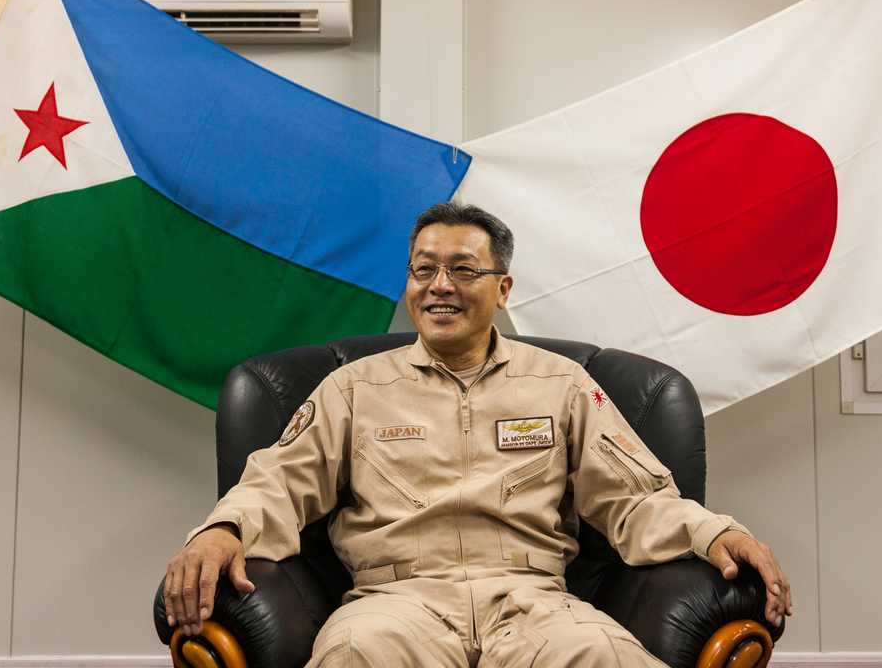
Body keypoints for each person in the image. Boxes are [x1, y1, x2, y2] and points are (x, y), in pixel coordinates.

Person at [164, 202, 792, 666]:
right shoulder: (352, 388)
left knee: (607, 655)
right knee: (354, 654)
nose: (440, 286)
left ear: (502, 287)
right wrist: (223, 529)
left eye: (463, 270)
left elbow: (635, 498)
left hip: (535, 601)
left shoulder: (564, 384)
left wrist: (719, 532)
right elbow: (278, 481)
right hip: (394, 603)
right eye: (424, 270)